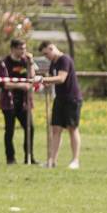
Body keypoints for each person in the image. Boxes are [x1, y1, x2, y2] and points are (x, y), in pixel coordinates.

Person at [37, 41, 83, 169]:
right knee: (56, 129)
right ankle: (52, 161)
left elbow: (61, 78)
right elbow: (51, 79)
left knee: (72, 128)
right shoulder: (53, 63)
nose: (46, 57)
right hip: (59, 99)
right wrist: (42, 82)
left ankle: (75, 160)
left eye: (46, 53)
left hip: (72, 99)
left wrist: (43, 80)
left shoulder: (64, 60)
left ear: (52, 48)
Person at [0, 38, 37, 165]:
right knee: (10, 130)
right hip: (9, 102)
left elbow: (32, 78)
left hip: (24, 102)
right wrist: (21, 85)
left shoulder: (26, 62)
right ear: (13, 49)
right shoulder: (4, 63)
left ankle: (29, 157)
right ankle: (10, 158)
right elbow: (4, 83)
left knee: (30, 128)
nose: (23, 51)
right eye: (21, 48)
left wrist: (31, 63)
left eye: (24, 48)